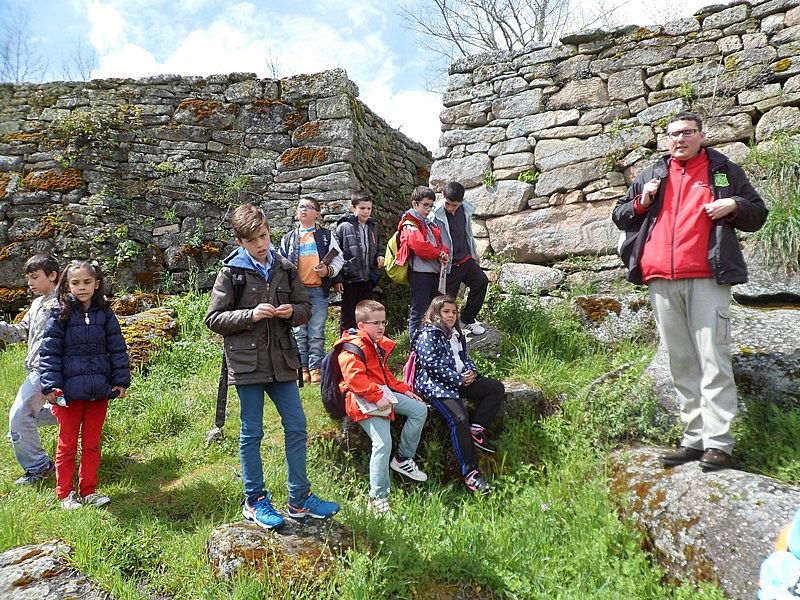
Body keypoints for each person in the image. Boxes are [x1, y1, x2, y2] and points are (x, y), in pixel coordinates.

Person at [613, 111, 768, 471]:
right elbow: (621, 215)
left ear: (702, 135)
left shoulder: (723, 170)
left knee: (713, 358)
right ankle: (694, 437)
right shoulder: (652, 174)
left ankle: (718, 442)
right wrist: (643, 201)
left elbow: (757, 213)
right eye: (672, 134)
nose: (679, 139)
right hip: (660, 279)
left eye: (687, 132)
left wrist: (734, 205)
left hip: (706, 276)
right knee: (681, 361)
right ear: (666, 140)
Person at [205, 202, 340, 530]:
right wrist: (250, 315)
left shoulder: (285, 266)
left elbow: (306, 307)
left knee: (297, 426)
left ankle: (299, 499)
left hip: (282, 360)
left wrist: (290, 312)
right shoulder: (231, 272)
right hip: (248, 364)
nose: (261, 244)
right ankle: (255, 501)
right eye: (253, 240)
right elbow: (214, 318)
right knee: (252, 433)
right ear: (240, 242)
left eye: (264, 236)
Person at [39, 261, 131, 509]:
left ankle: (89, 490)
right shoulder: (59, 313)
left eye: (87, 282)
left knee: (91, 444)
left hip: (99, 392)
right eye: (75, 283)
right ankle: (65, 494)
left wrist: (120, 381)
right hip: (67, 394)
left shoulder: (105, 313)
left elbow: (117, 348)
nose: (81, 287)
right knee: (67, 445)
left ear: (96, 284)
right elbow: (48, 353)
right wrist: (51, 386)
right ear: (67, 285)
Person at [336, 299, 428, 515]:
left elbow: (384, 375)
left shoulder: (375, 344)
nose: (381, 327)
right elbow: (354, 379)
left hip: (381, 395)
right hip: (362, 401)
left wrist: (403, 389)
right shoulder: (351, 348)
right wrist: (377, 396)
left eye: (383, 322)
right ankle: (378, 497)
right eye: (375, 323)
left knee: (419, 409)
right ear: (361, 326)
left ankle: (403, 458)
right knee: (382, 443)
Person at [411, 295, 504, 492]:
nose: (451, 316)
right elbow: (431, 364)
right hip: (436, 384)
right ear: (436, 312)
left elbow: (464, 357)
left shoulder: (455, 333)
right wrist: (458, 379)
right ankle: (471, 475)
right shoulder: (428, 333)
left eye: (454, 312)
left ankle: (477, 430)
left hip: (459, 379)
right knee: (459, 419)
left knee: (495, 388)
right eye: (446, 312)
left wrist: (471, 372)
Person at [1, 254, 60, 485]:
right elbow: (21, 333)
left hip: (46, 371)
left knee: (18, 416)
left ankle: (40, 467)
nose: (30, 283)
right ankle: (76, 414)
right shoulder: (37, 303)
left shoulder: (65, 302)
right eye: (28, 278)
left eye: (35, 277)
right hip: (35, 370)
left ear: (52, 275)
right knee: (26, 416)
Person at [280, 196, 344, 385]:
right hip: (297, 293)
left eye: (308, 207)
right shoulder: (289, 239)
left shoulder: (326, 235)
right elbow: (280, 263)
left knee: (316, 331)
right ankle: (302, 368)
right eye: (301, 207)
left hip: (318, 290)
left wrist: (328, 271)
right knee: (300, 331)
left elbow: (338, 258)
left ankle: (316, 368)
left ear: (317, 213)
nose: (304, 210)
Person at [434, 181, 489, 336]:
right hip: (449, 265)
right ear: (442, 196)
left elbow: (468, 234)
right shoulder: (435, 214)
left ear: (462, 202)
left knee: (481, 282)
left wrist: (474, 254)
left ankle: (468, 319)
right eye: (448, 204)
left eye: (455, 205)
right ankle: (445, 331)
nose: (450, 208)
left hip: (465, 259)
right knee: (446, 301)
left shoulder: (465, 210)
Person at [399, 186, 450, 338]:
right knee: (419, 310)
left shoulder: (428, 223)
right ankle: (415, 346)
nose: (428, 209)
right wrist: (438, 253)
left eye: (431, 205)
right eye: (425, 205)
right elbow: (420, 246)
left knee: (433, 310)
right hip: (420, 273)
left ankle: (429, 342)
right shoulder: (410, 224)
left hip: (432, 272)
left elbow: (440, 243)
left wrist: (444, 253)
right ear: (415, 204)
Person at [335, 190, 385, 332]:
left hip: (368, 278)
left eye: (369, 208)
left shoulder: (373, 227)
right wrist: (338, 279)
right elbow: (336, 255)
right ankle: (347, 346)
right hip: (349, 279)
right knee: (349, 314)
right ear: (353, 208)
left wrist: (380, 256)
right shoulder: (343, 228)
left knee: (367, 314)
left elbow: (380, 247)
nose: (366, 211)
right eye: (362, 208)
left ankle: (365, 343)